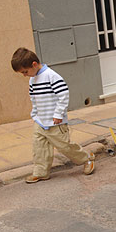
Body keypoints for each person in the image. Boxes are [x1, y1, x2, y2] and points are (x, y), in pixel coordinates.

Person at [11, 47, 95, 183]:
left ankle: (86, 158)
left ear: (34, 64)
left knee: (64, 147)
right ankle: (41, 172)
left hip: (56, 122)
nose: (25, 75)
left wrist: (58, 114)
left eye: (25, 72)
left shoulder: (51, 76)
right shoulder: (32, 79)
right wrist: (35, 114)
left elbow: (63, 95)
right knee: (39, 148)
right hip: (40, 121)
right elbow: (33, 97)